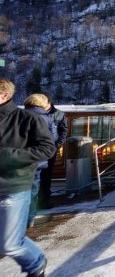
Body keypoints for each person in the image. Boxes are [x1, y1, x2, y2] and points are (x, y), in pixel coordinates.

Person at [0, 78, 56, 277]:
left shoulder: (27, 119)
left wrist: (8, 157)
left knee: (10, 244)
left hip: (14, 186)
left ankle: (36, 263)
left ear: (4, 95)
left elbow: (48, 147)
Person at [23, 94, 58, 228]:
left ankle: (16, 217)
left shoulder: (16, 116)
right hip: (39, 159)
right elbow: (52, 139)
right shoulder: (47, 119)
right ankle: (30, 217)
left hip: (18, 159)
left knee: (18, 189)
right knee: (33, 189)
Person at [38, 93, 67, 209]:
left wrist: (57, 145)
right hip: (35, 150)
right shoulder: (32, 114)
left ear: (48, 103)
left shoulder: (59, 114)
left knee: (46, 175)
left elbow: (63, 131)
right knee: (34, 177)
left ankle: (44, 201)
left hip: (50, 150)